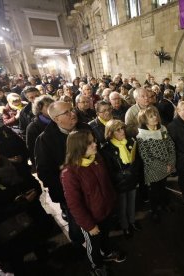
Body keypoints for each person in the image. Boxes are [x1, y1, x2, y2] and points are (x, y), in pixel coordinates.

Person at [0, 136, 54, 274]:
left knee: (38, 242)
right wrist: (20, 204)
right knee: (16, 258)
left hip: (30, 214)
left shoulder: (10, 163)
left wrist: (34, 190)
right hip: (7, 227)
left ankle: (47, 262)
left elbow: (31, 181)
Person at [61, 130, 125, 276]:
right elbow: (74, 204)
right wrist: (89, 225)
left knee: (105, 236)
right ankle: (96, 264)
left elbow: (106, 183)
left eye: (93, 141)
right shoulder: (69, 173)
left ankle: (107, 251)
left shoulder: (96, 158)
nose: (95, 144)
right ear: (79, 147)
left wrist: (112, 202)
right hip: (91, 218)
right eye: (89, 143)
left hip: (106, 210)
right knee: (93, 245)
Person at [35, 101, 92, 245]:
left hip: (91, 185)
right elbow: (44, 171)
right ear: (56, 119)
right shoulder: (45, 139)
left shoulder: (85, 128)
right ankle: (79, 245)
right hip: (69, 191)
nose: (73, 113)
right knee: (76, 221)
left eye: (72, 109)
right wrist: (64, 191)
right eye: (66, 112)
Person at [100, 120, 142, 239]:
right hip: (120, 183)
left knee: (132, 203)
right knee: (122, 207)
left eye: (122, 128)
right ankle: (125, 226)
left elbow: (137, 160)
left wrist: (132, 171)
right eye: (118, 130)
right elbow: (109, 170)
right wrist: (123, 174)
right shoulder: (106, 149)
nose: (122, 131)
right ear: (110, 133)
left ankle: (132, 222)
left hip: (132, 179)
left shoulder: (130, 141)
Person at [136, 106, 176, 222]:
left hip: (167, 166)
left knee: (163, 187)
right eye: (151, 116)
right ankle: (154, 210)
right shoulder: (142, 136)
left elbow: (170, 146)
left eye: (155, 115)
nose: (155, 118)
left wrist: (170, 163)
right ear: (144, 120)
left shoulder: (162, 129)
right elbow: (146, 157)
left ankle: (163, 205)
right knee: (154, 191)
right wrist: (164, 166)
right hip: (153, 169)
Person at [26, 95, 55, 165]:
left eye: (53, 105)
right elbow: (33, 150)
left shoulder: (57, 120)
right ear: (39, 109)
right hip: (48, 163)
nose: (52, 108)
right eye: (48, 105)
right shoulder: (33, 127)